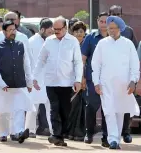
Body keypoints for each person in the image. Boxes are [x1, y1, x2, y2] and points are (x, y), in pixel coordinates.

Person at [91, 16, 140, 149]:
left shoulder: (128, 44)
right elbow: (95, 64)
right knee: (108, 110)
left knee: (120, 111)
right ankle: (112, 138)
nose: (111, 31)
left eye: (113, 28)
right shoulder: (102, 44)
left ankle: (115, 140)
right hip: (106, 83)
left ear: (120, 29)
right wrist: (96, 82)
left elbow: (134, 65)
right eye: (109, 28)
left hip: (123, 85)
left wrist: (133, 81)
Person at [33, 16, 83, 147]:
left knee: (65, 110)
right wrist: (35, 77)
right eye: (54, 29)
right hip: (51, 82)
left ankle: (60, 136)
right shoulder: (49, 41)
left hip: (67, 82)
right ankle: (56, 134)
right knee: (54, 109)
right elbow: (41, 60)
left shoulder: (73, 42)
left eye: (58, 29)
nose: (56, 32)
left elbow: (78, 62)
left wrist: (78, 80)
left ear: (65, 28)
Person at [0, 11, 32, 141]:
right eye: (10, 30)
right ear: (4, 32)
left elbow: (26, 64)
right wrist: (1, 83)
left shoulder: (20, 45)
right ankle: (2, 134)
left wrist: (29, 82)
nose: (13, 32)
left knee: (18, 109)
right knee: (3, 110)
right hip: (3, 84)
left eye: (14, 29)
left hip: (18, 82)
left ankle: (17, 132)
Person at [108, 5, 138, 143]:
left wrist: (134, 76)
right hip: (109, 77)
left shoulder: (129, 32)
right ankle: (110, 135)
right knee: (110, 107)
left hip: (126, 77)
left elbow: (135, 56)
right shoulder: (106, 31)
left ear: (122, 15)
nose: (115, 15)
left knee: (125, 105)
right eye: (112, 13)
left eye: (118, 13)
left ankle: (125, 132)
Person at [81, 12, 109, 147]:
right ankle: (89, 133)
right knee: (91, 107)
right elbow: (83, 59)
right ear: (97, 21)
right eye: (101, 21)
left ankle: (106, 137)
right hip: (93, 80)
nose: (103, 24)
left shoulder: (114, 38)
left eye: (106, 21)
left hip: (109, 80)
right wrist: (82, 77)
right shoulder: (90, 38)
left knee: (107, 109)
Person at [25, 18, 54, 138]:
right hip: (35, 78)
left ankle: (54, 131)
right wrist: (30, 78)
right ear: (42, 29)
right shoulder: (31, 42)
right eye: (49, 32)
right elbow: (27, 62)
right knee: (32, 105)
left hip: (50, 79)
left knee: (51, 107)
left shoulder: (52, 41)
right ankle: (29, 130)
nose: (51, 34)